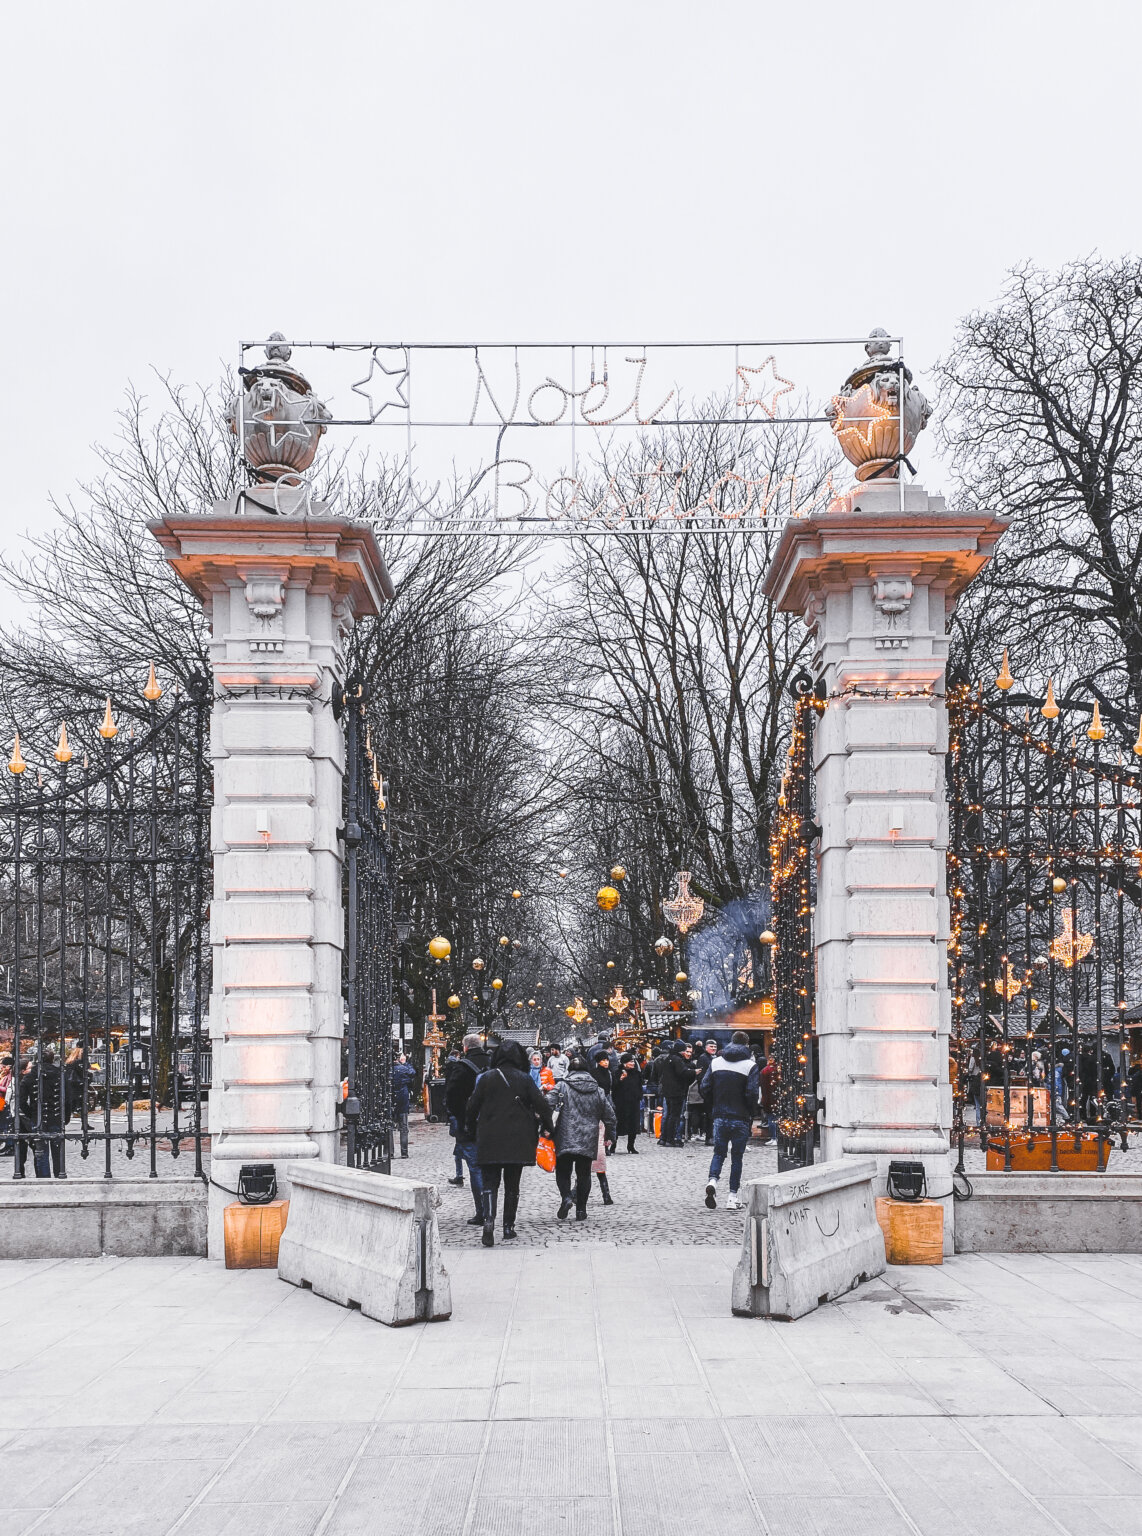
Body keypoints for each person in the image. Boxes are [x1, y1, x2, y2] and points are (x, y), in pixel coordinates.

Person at [465, 1040, 554, 1246]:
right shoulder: (524, 1079)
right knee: (512, 1185)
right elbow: (542, 1105)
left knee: (490, 1183)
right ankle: (508, 1226)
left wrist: (470, 1129)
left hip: (490, 1136)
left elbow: (472, 1107)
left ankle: (489, 1220)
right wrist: (548, 1128)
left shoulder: (487, 1078)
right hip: (518, 1138)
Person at [548, 1054, 617, 1221]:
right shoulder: (598, 1090)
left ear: (570, 1070)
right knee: (584, 1174)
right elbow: (610, 1116)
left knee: (563, 1172)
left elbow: (546, 1105)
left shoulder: (561, 1087)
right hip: (588, 1138)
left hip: (565, 1136)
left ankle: (566, 1197)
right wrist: (610, 1136)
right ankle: (581, 1210)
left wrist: (544, 1128)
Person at [701, 1031, 759, 1210]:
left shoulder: (716, 1062)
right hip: (740, 1117)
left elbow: (704, 1087)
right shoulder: (750, 1065)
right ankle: (732, 1197)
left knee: (719, 1153)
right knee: (737, 1158)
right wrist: (751, 1112)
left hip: (720, 1115)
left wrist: (714, 1104)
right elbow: (752, 1093)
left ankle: (713, 1181)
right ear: (746, 1045)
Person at [445, 1033, 489, 1225]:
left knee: (475, 1168)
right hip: (493, 1123)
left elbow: (451, 1096)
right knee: (492, 1169)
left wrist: (463, 1117)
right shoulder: (493, 1063)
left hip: (470, 1125)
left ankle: (482, 1211)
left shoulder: (462, 1067)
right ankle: (492, 1208)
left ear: (465, 1048)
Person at [19, 1049, 67, 1179]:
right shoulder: (60, 1074)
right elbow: (68, 1098)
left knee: (41, 1152)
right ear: (52, 1059)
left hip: (38, 1117)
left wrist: (32, 1114)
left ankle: (44, 1179)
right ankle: (59, 1176)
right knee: (58, 1151)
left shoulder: (30, 1076)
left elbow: (21, 1101)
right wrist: (65, 1116)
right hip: (56, 1116)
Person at [658, 1040, 695, 1147]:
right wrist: (694, 1072)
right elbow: (682, 1073)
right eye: (684, 1050)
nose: (685, 1053)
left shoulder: (668, 1058)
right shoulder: (677, 1060)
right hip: (677, 1092)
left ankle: (664, 1138)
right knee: (674, 1116)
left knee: (668, 1115)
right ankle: (671, 1139)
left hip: (667, 1091)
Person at [613, 1052, 644, 1153]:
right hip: (621, 1103)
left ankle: (631, 1146)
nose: (633, 1063)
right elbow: (614, 1087)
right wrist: (621, 1079)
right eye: (631, 1061)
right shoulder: (617, 1073)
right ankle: (613, 1146)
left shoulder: (637, 1074)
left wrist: (639, 1096)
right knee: (618, 1125)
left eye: (633, 1061)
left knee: (633, 1125)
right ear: (624, 1063)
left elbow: (639, 1086)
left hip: (633, 1102)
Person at [391, 1052, 418, 1158]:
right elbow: (412, 1073)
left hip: (390, 1100)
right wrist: (405, 1063)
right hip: (402, 1100)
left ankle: (390, 1153)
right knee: (403, 1127)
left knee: (389, 1128)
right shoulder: (403, 1069)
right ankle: (404, 1152)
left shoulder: (386, 1070)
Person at [759, 1054, 778, 1142]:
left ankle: (774, 1137)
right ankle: (777, 1137)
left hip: (768, 1098)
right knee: (775, 1118)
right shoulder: (778, 1069)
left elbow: (762, 1086)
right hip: (776, 1098)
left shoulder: (765, 1070)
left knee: (771, 1118)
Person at [0, 1053, 14, 1156]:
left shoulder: (10, 1076)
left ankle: (9, 1145)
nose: (2, 1068)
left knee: (7, 1124)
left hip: (5, 1102)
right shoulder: (5, 1075)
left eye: (4, 1066)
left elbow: (8, 1089)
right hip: (3, 1101)